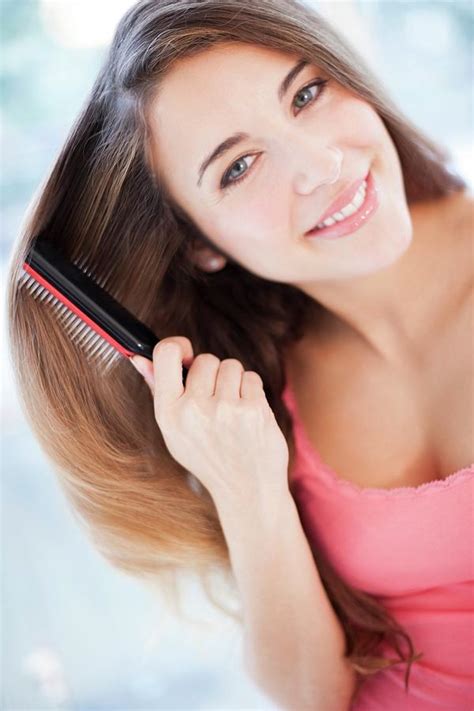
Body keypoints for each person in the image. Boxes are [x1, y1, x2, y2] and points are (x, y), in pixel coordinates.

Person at [7, 1, 472, 709]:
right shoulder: (262, 402)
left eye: (307, 94)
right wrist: (248, 487)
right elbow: (313, 694)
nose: (322, 166)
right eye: (240, 166)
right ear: (200, 243)